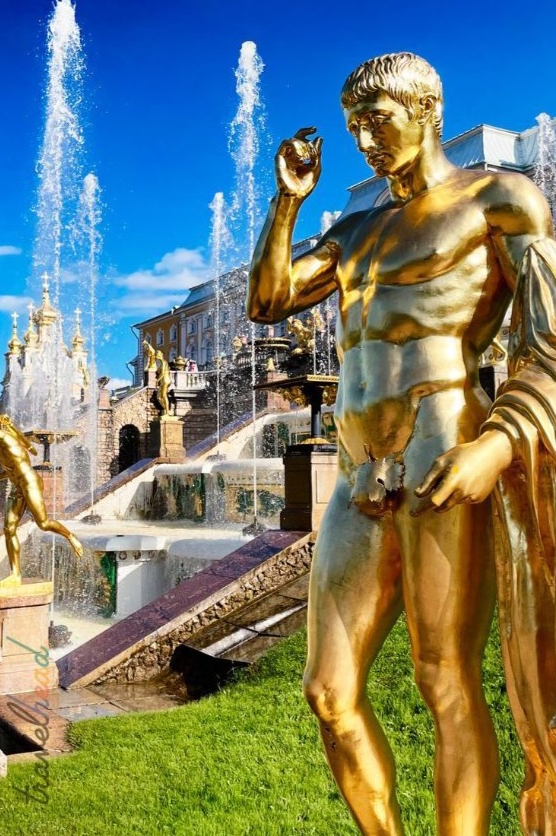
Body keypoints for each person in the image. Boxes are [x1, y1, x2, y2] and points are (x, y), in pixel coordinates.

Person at [248, 52, 556, 835]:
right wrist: (286, 203)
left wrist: (496, 445)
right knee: (327, 691)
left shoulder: (499, 199)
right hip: (358, 466)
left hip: (441, 448)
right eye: (353, 126)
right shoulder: (353, 231)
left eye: (376, 120)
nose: (362, 141)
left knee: (442, 676)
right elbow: (269, 301)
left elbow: (550, 346)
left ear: (426, 110)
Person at [0, 406, 83, 586]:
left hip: (30, 482)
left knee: (43, 523)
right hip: (17, 487)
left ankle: (70, 536)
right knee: (9, 529)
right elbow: (13, 467)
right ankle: (15, 574)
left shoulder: (4, 436)